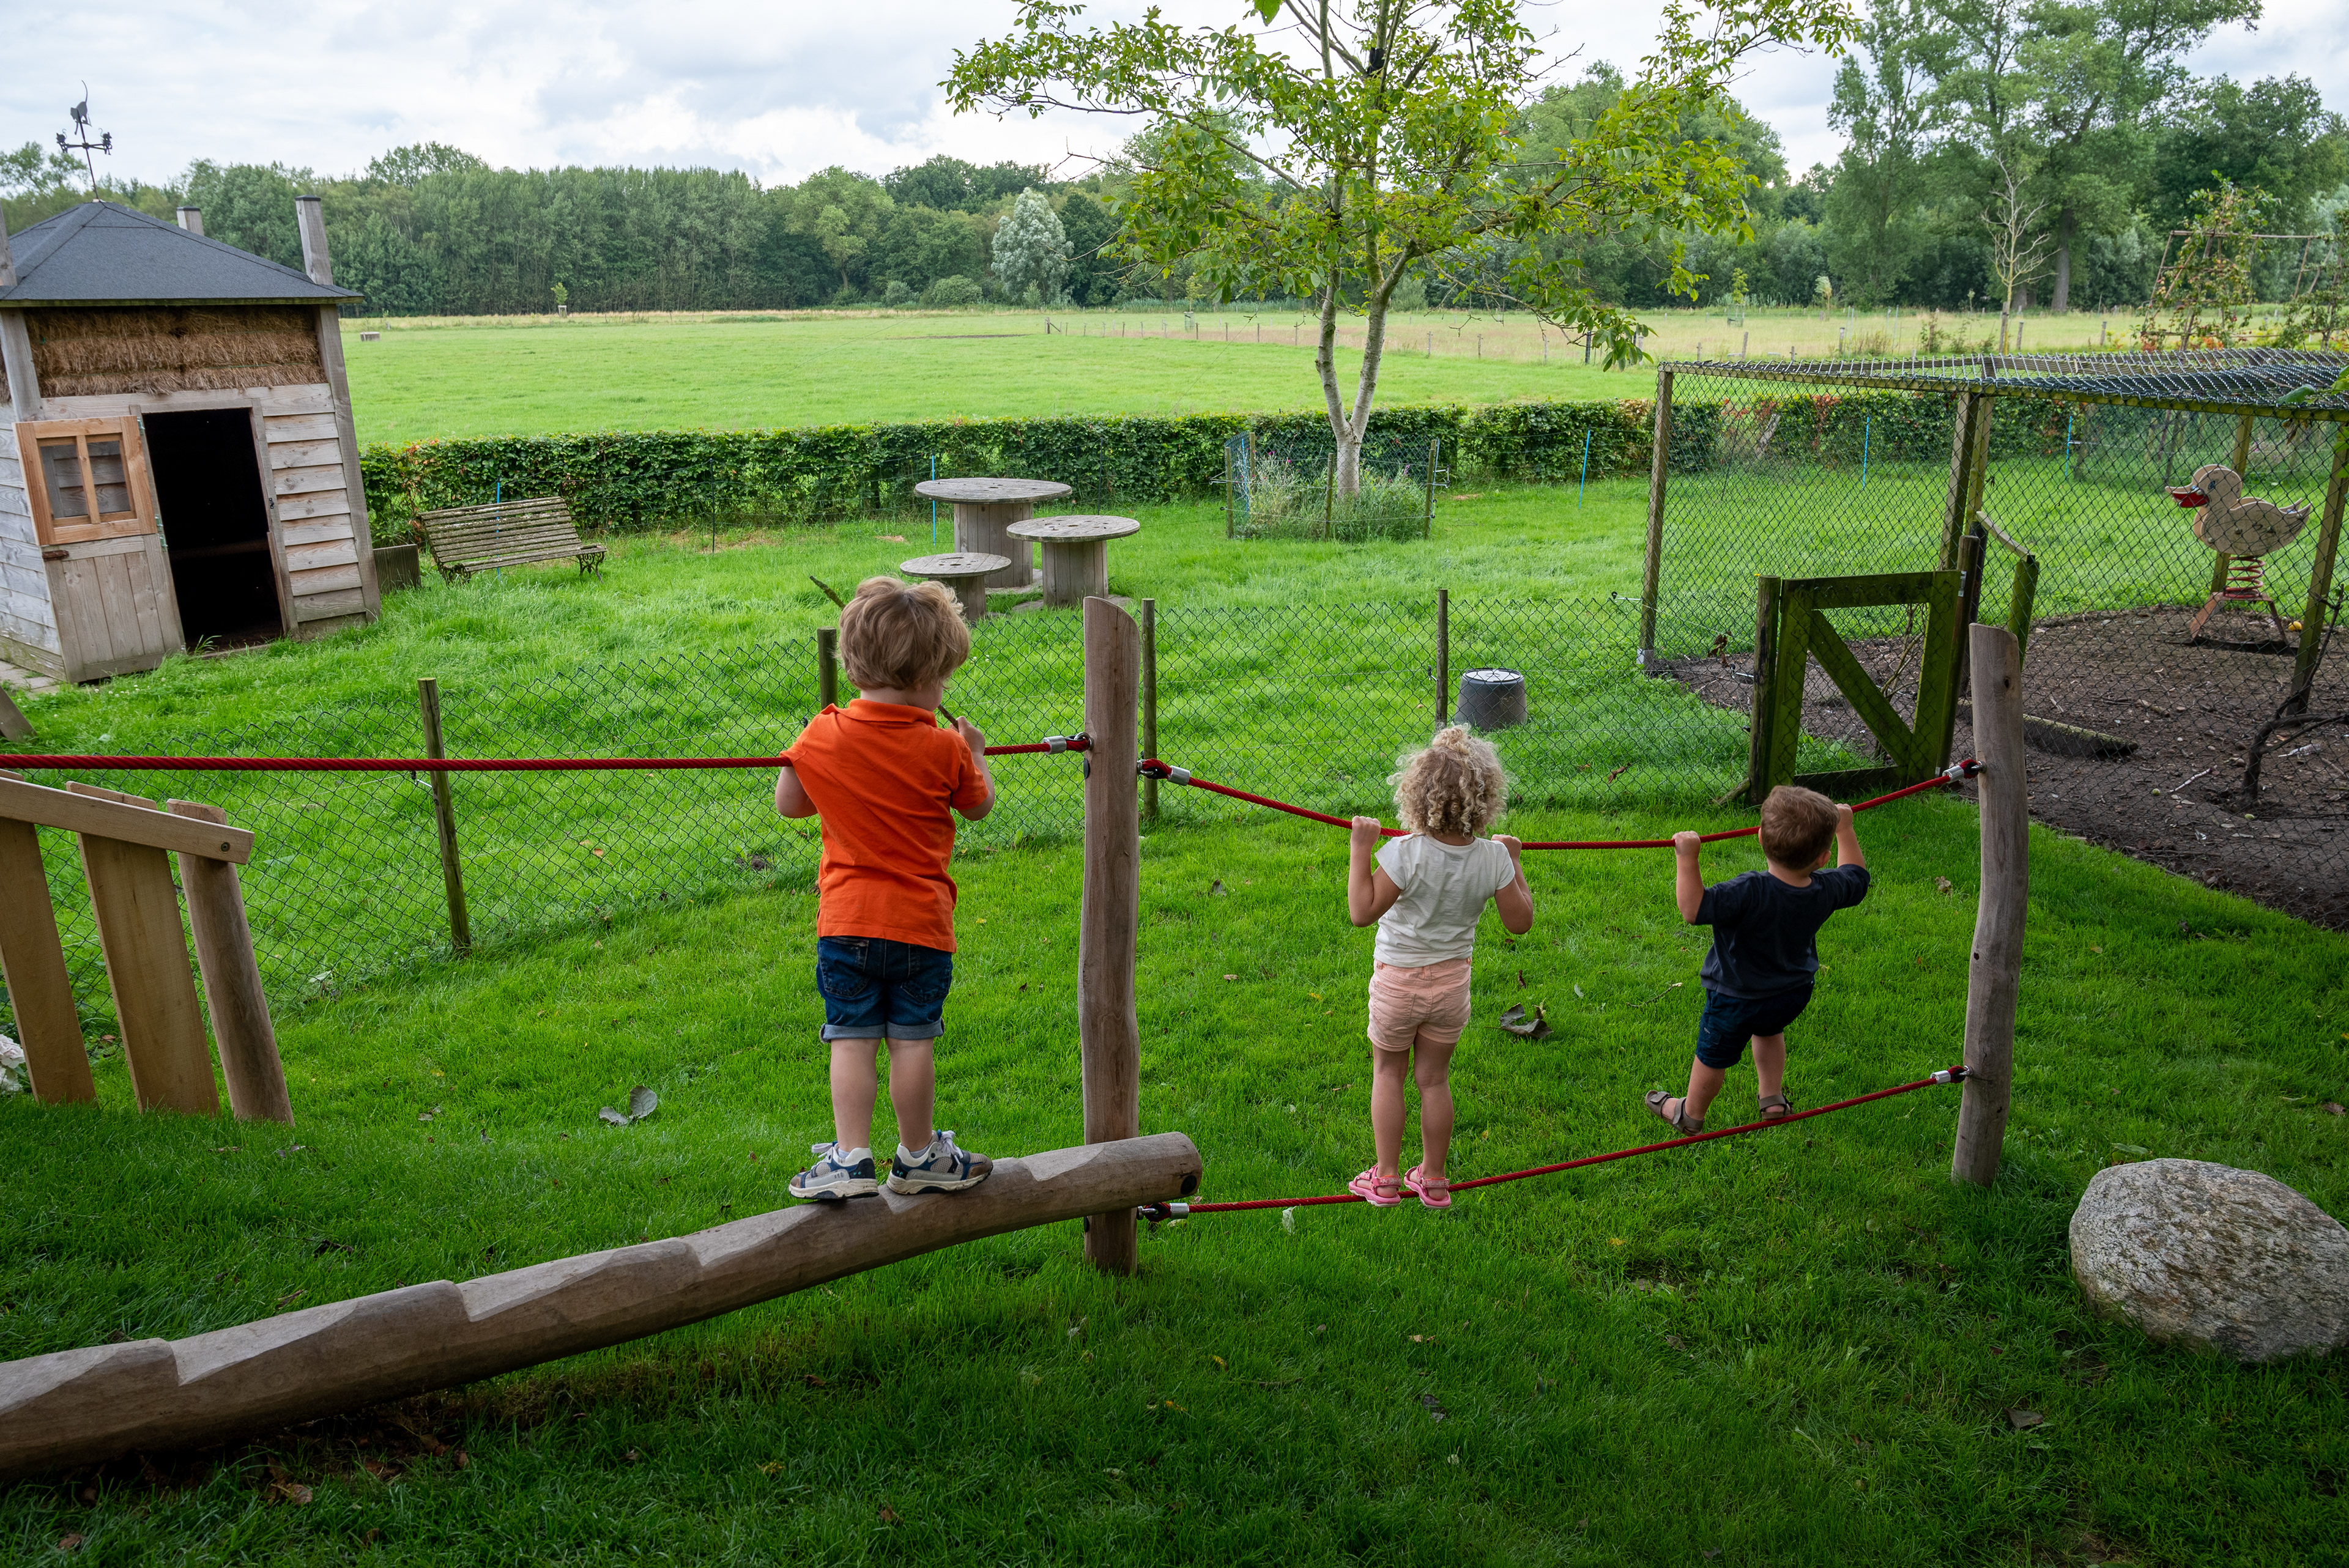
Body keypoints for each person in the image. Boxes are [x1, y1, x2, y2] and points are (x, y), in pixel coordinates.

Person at [774, 577, 997, 1200]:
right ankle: (920, 1153)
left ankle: (849, 1158)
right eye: (943, 680)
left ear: (854, 664)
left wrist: (822, 759)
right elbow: (978, 807)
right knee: (912, 1040)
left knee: (850, 1036)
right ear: (928, 676)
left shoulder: (824, 732)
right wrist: (975, 752)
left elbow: (789, 803)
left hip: (845, 924)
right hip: (921, 928)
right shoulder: (944, 746)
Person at [1344, 727, 1534, 1210]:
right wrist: (1513, 862)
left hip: (1397, 984)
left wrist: (1360, 849)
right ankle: (1433, 1179)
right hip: (1450, 989)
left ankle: (1386, 1179)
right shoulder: (1491, 858)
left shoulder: (1406, 853)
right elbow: (1521, 922)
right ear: (1485, 799)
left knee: (1388, 1072)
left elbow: (1362, 911)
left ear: (1418, 795)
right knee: (1434, 1080)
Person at [1647, 786, 1867, 1134]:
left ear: (1760, 837)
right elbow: (1856, 876)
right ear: (1824, 858)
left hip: (1735, 999)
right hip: (1791, 993)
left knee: (1713, 1055)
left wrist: (1687, 858)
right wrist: (1846, 829)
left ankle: (1690, 1114)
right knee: (1769, 1029)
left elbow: (1693, 910)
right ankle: (1772, 1099)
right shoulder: (1825, 889)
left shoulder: (1748, 891)